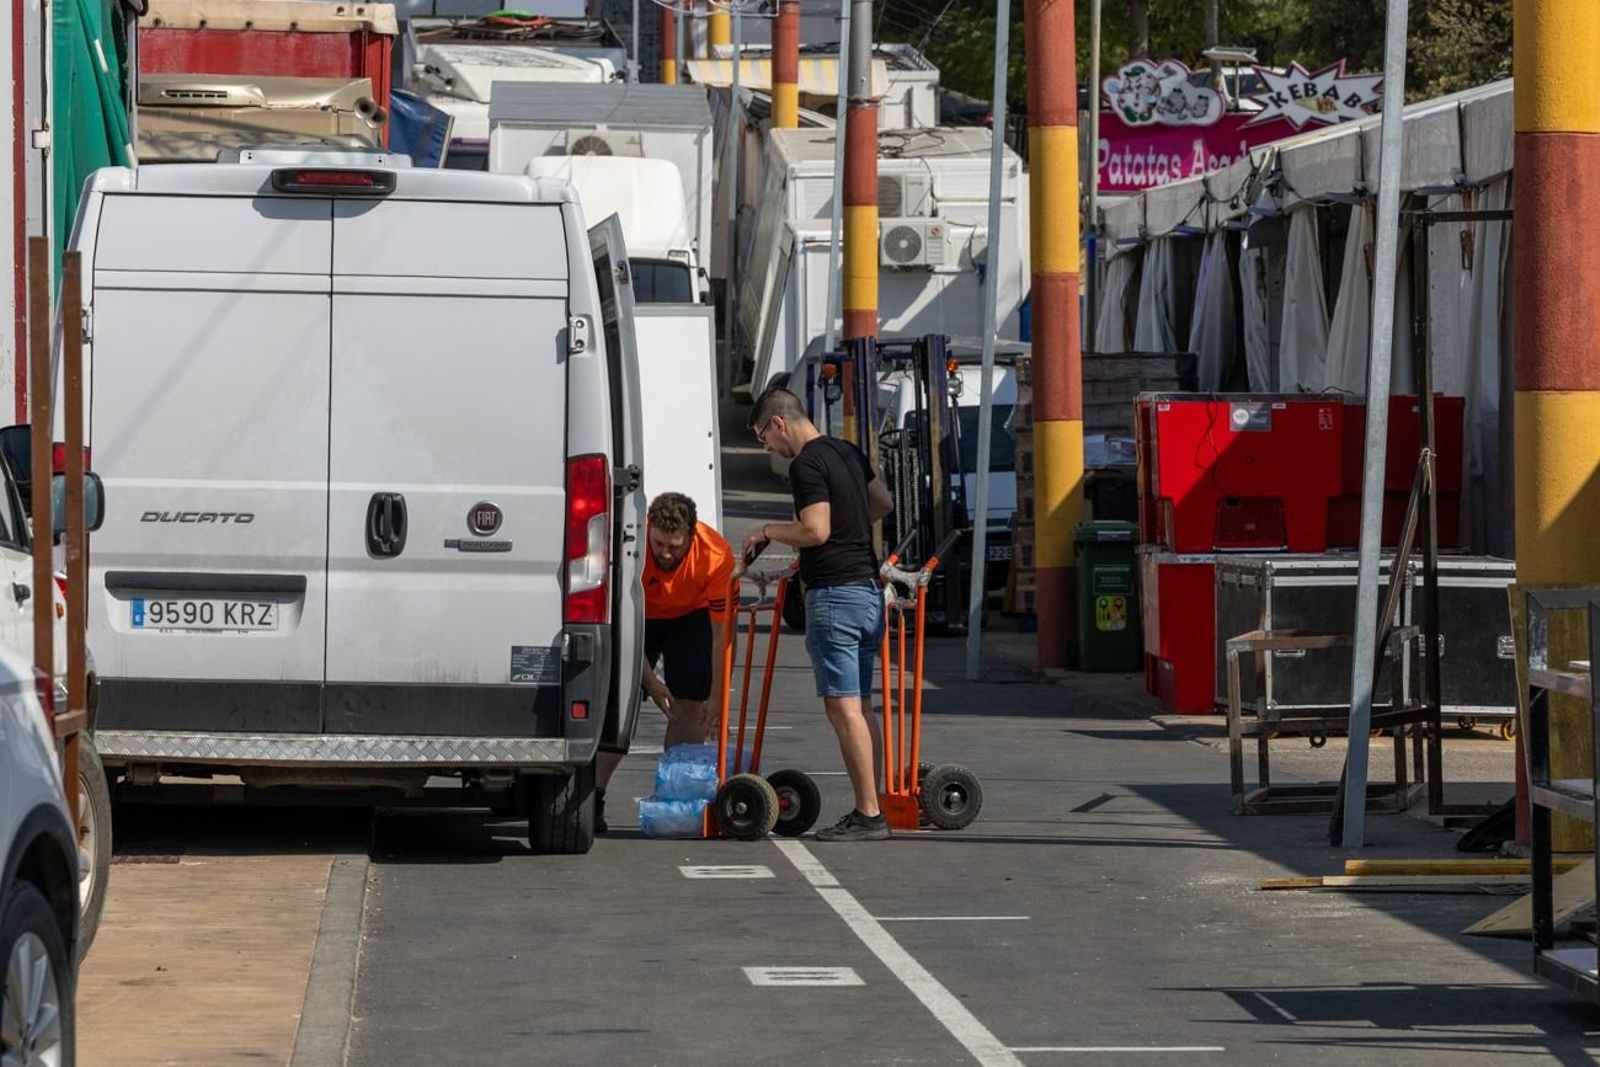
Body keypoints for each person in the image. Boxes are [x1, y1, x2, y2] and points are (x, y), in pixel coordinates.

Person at [742, 386, 895, 842]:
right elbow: (882, 503)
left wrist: (767, 530)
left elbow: (815, 528)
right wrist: (849, 532)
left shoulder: (806, 463)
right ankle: (876, 803)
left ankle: (869, 815)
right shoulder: (846, 452)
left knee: (842, 707)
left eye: (762, 436)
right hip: (868, 592)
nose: (765, 446)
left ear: (779, 423)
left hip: (836, 596)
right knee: (861, 706)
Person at [596, 492, 734, 834]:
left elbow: (722, 636)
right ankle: (594, 795)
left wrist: (717, 696)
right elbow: (624, 626)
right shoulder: (632, 548)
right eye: (659, 544)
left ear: (691, 535)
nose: (665, 553)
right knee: (619, 706)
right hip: (639, 615)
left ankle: (679, 796)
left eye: (674, 546)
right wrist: (650, 683)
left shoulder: (715, 556)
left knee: (692, 707)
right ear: (649, 532)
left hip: (691, 613)